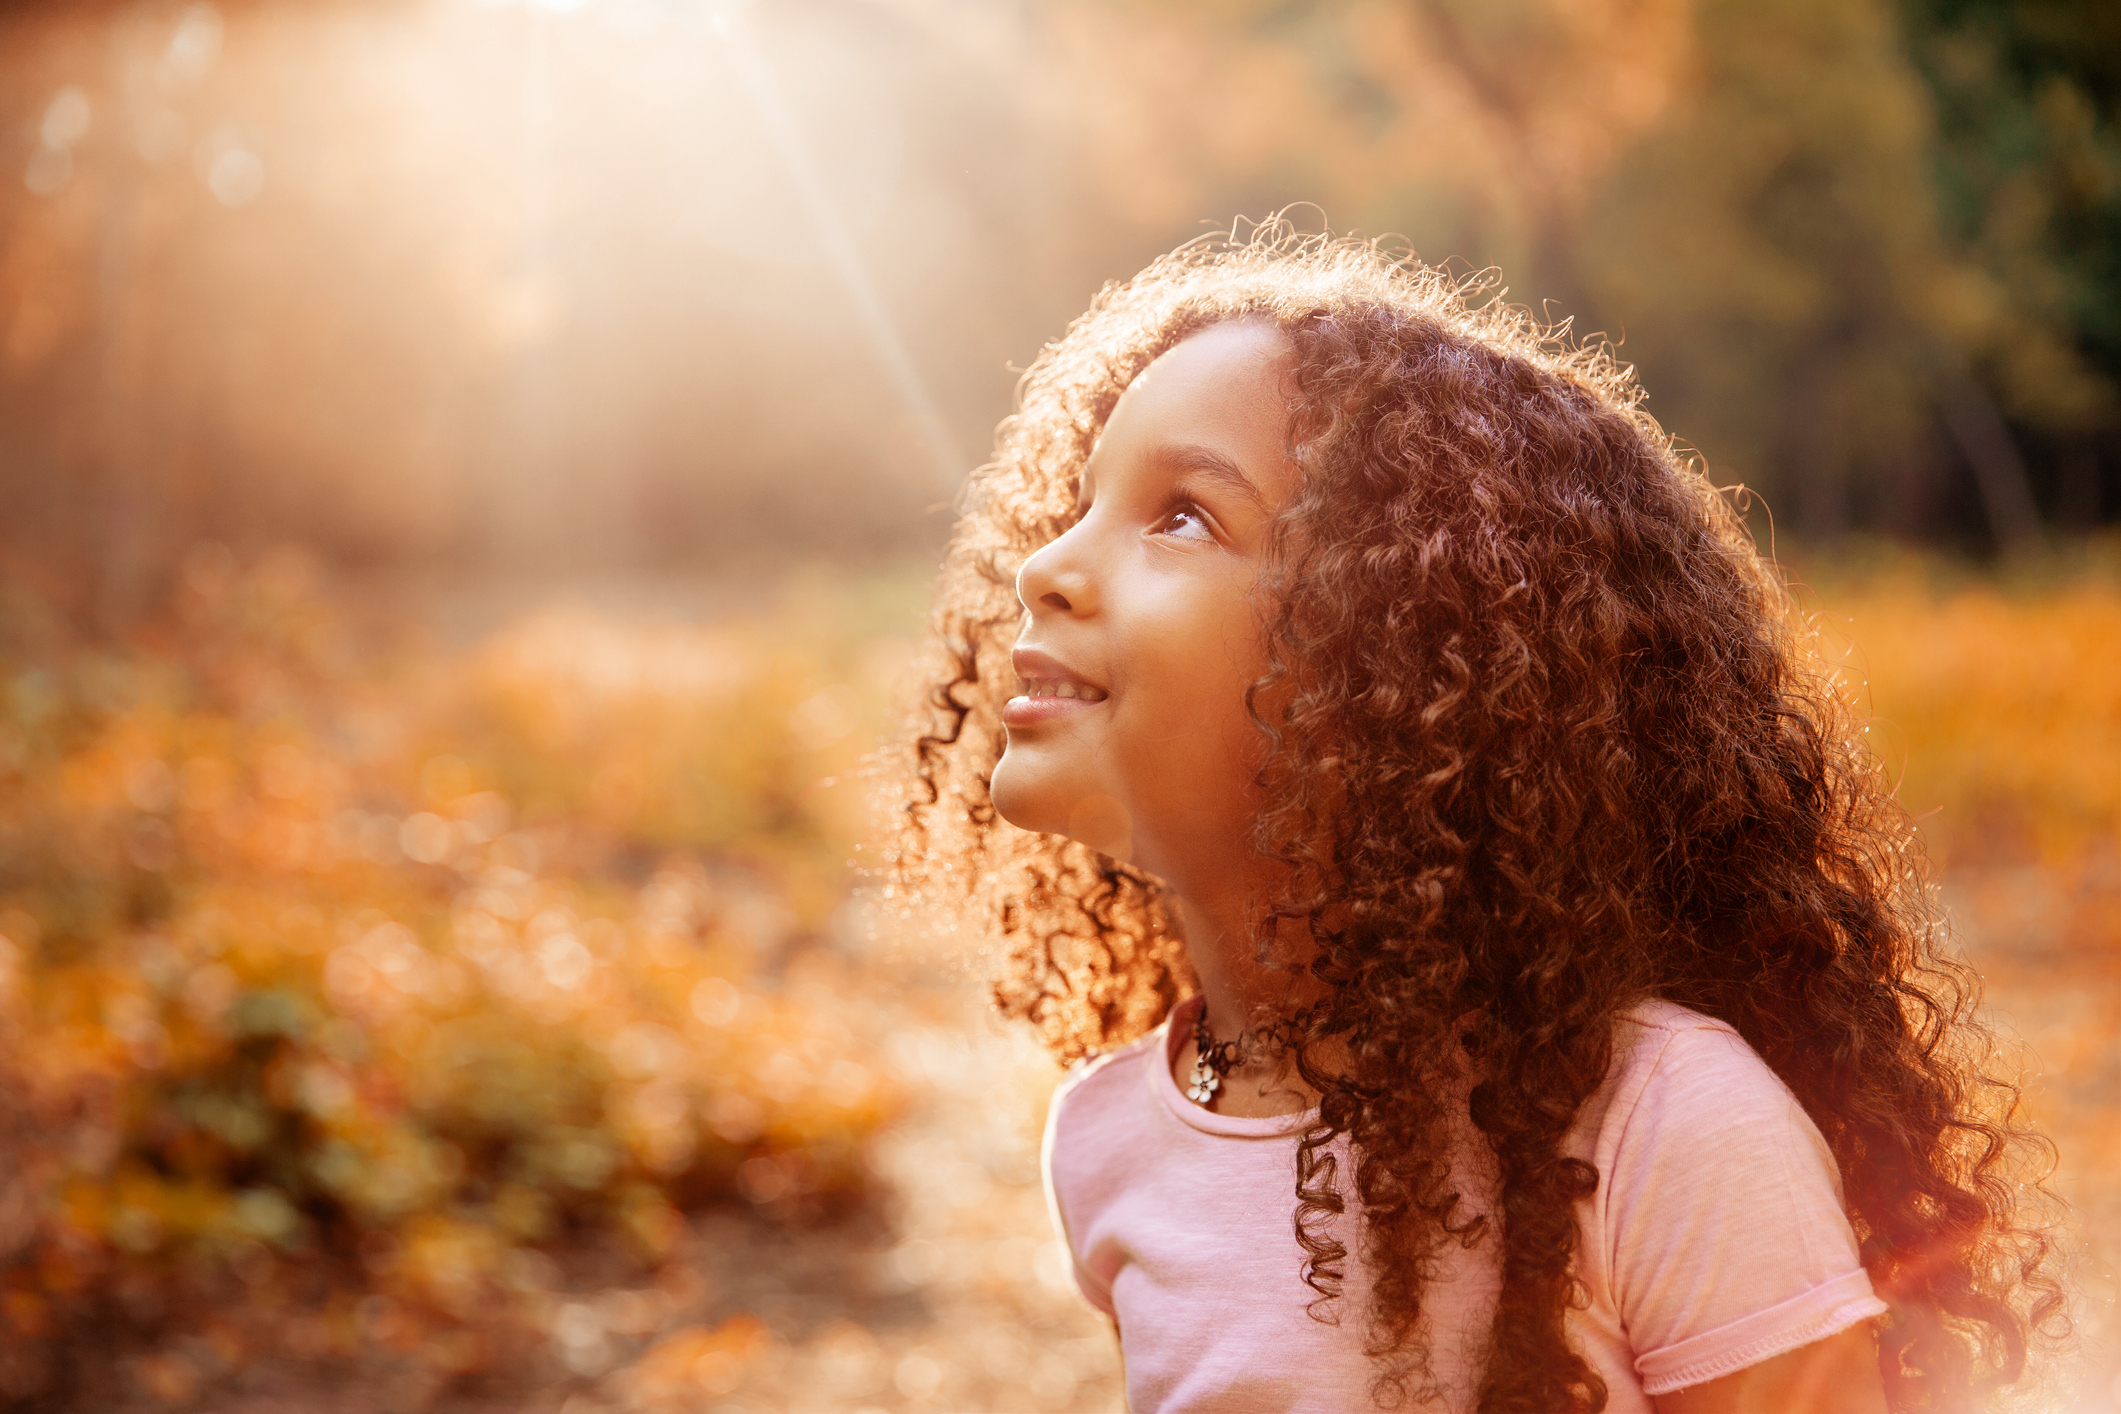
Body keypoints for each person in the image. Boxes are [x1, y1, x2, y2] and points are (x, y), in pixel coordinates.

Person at [892, 227, 2063, 1413]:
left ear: (1388, 668)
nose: (1046, 564)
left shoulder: (1668, 1127)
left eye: (1182, 515)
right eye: (1080, 503)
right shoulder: (1107, 1141)